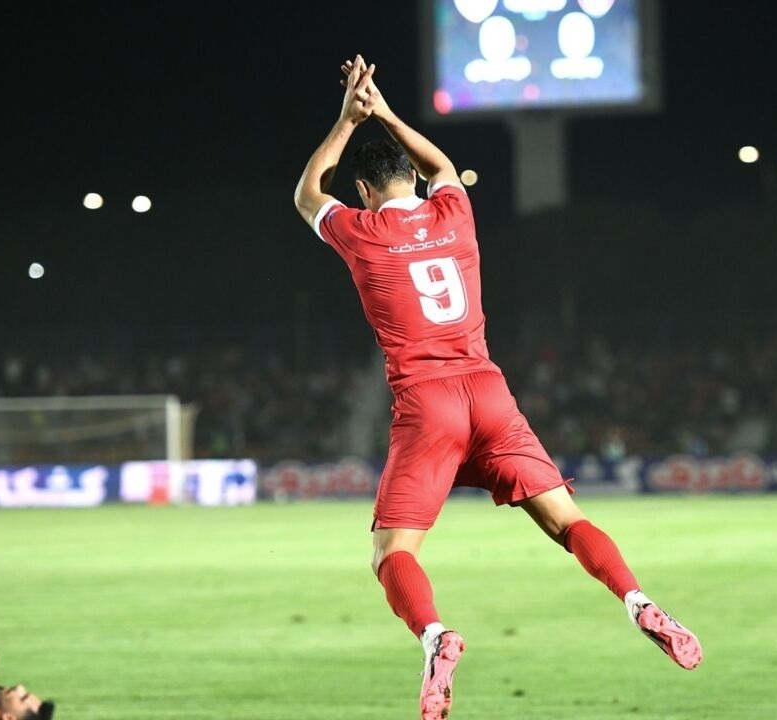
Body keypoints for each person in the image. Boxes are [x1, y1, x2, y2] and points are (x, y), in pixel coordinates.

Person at [293, 55, 701, 720]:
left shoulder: (363, 232)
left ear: (364, 191)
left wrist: (348, 118)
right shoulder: (454, 214)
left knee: (392, 554)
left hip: (427, 402)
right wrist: (386, 112)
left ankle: (435, 636)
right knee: (568, 522)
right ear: (414, 181)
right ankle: (638, 601)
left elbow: (308, 193)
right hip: (489, 393)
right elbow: (444, 166)